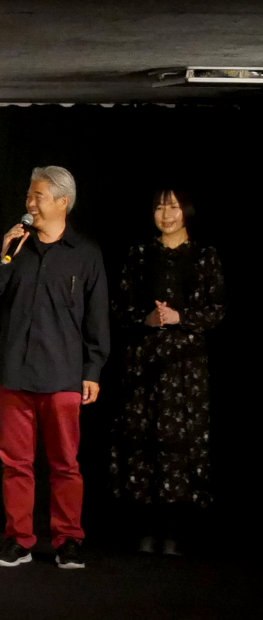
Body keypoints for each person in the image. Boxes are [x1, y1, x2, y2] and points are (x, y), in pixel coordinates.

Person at [0, 166, 109, 569]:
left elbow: (97, 316)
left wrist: (93, 369)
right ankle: (19, 540)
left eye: (38, 196)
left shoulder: (84, 253)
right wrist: (3, 256)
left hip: (62, 374)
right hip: (14, 371)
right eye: (29, 195)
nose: (29, 203)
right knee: (15, 464)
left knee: (65, 464)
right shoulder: (17, 246)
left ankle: (68, 539)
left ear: (62, 202)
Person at [110, 188, 225, 556]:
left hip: (185, 366)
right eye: (160, 207)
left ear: (186, 210)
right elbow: (119, 306)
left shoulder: (205, 255)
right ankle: (145, 529)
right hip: (144, 361)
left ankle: (174, 531)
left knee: (180, 444)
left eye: (173, 206)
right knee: (141, 439)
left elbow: (217, 309)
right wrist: (145, 319)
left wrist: (180, 317)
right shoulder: (139, 254)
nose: (166, 214)